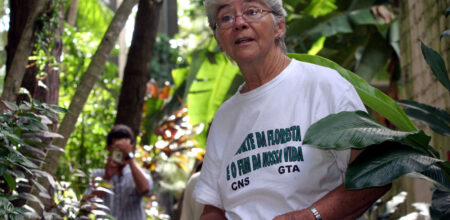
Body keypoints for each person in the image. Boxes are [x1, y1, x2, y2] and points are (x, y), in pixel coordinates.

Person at [192, 0, 391, 219]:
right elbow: (213, 209)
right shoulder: (224, 118)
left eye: (251, 11)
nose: (239, 22)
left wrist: (310, 215)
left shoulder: (325, 86)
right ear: (219, 40)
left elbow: (377, 173)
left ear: (279, 26)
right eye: (226, 17)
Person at [86, 124, 153, 220]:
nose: (121, 152)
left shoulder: (140, 173)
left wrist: (129, 158)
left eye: (124, 148)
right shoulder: (98, 175)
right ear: (109, 148)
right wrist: (106, 178)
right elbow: (88, 205)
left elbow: (146, 189)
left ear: (131, 148)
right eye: (118, 148)